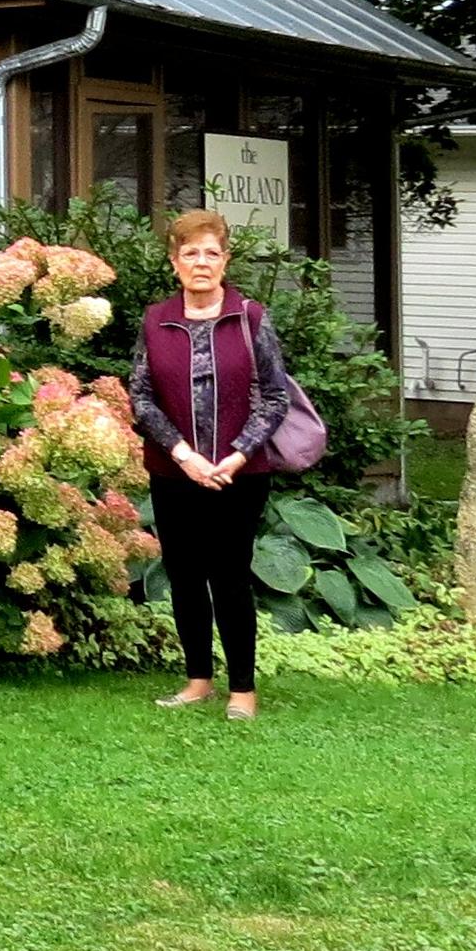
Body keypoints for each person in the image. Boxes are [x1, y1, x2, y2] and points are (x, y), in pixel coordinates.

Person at [126, 208, 303, 720]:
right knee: (183, 575)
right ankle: (198, 679)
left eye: (210, 252)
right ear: (174, 262)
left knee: (228, 576)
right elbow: (141, 395)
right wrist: (181, 453)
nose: (200, 262)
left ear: (225, 260)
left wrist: (236, 455)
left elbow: (274, 396)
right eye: (190, 253)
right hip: (172, 468)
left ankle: (243, 690)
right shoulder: (155, 320)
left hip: (239, 473)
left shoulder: (251, 318)